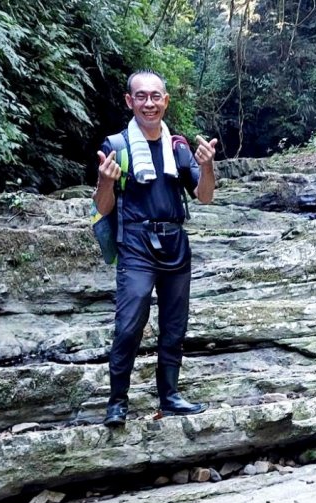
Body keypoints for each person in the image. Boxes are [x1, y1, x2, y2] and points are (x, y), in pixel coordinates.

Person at [94, 70, 217, 427]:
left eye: (156, 96)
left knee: (174, 325)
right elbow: (103, 208)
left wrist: (206, 166)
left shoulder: (178, 147)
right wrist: (105, 181)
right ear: (129, 101)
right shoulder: (115, 145)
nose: (149, 103)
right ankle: (117, 402)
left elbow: (205, 196)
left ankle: (171, 396)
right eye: (141, 97)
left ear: (165, 100)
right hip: (135, 243)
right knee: (130, 323)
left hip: (175, 242)